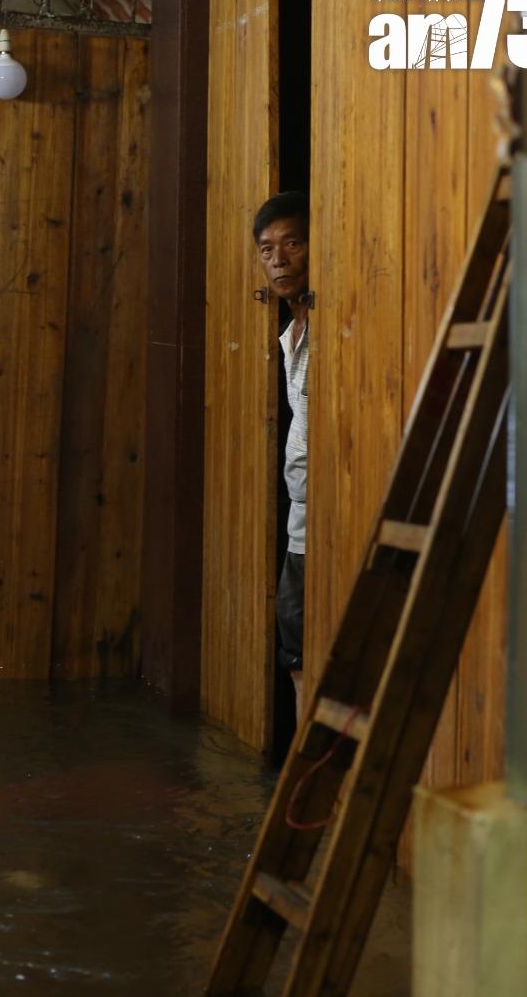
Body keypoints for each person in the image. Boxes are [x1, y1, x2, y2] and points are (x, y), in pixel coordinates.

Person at [253, 192, 310, 724]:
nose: (279, 259)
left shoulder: (325, 329)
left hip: (334, 523)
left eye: (292, 242)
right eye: (267, 249)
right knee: (295, 651)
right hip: (301, 525)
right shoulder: (290, 334)